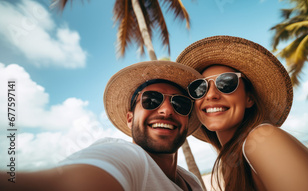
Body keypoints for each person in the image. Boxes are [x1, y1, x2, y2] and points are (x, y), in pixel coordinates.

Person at [177, 36, 308, 191]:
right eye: (199, 88)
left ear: (249, 99)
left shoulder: (262, 139)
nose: (211, 95)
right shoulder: (231, 161)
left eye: (226, 83)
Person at [0, 61, 204, 191]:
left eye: (180, 104)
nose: (167, 110)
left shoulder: (191, 181)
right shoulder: (129, 158)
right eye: (151, 100)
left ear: (187, 120)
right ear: (130, 118)